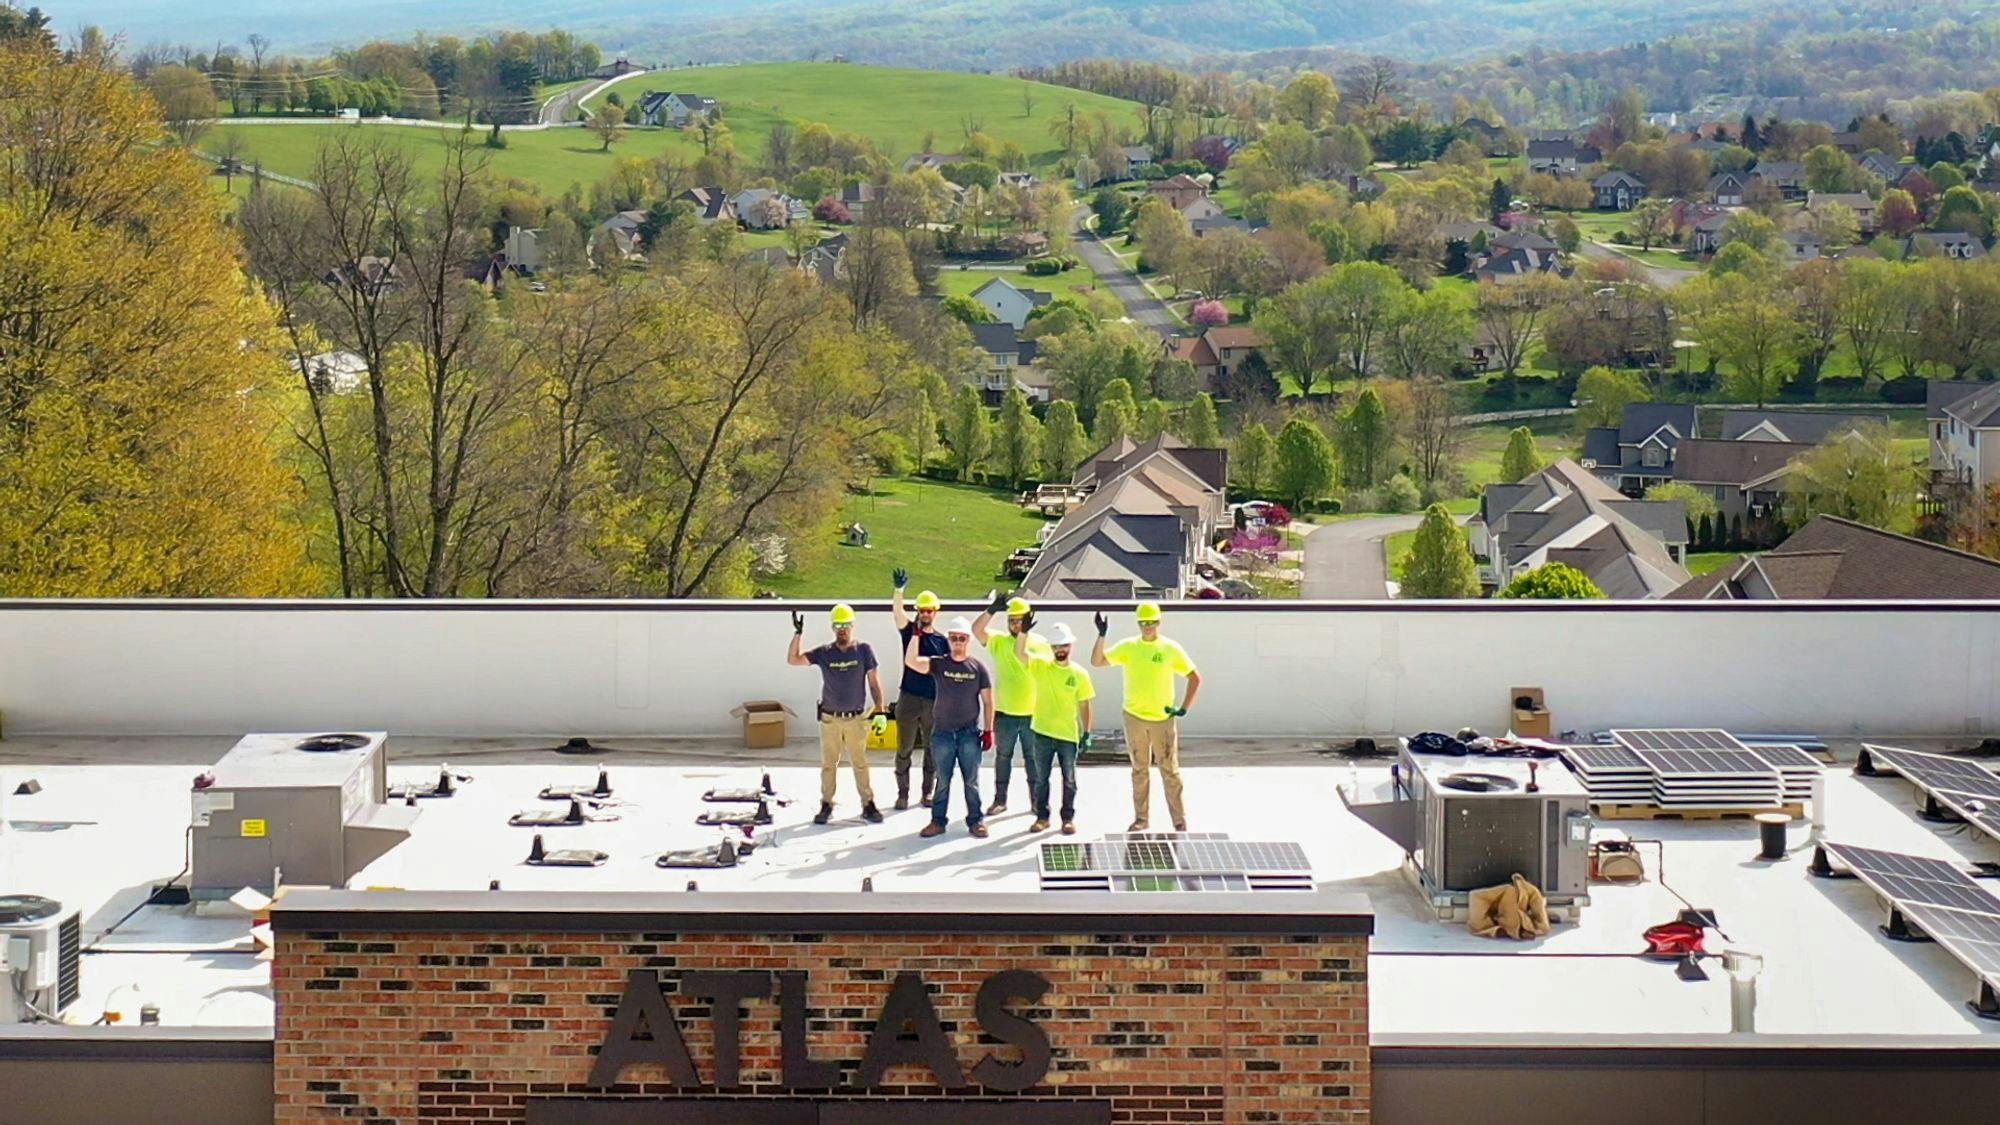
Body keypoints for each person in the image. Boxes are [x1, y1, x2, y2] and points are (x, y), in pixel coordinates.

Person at [1091, 602, 1201, 832]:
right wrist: (1101, 636)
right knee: (1139, 770)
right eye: (1143, 623)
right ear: (1138, 623)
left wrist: (1184, 707)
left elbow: (1194, 677)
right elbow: (1097, 662)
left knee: (1169, 770)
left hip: (1162, 720)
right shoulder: (1129, 647)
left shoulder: (1170, 648)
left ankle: (1179, 821)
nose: (1147, 627)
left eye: (1151, 622)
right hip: (1135, 718)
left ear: (1159, 622)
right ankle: (1141, 820)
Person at [787, 604, 886, 825]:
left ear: (852, 626)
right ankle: (826, 804)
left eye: (846, 625)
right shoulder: (824, 653)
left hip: (856, 718)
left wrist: (880, 709)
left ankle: (868, 804)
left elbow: (874, 681)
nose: (842, 629)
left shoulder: (863, 650)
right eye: (838, 625)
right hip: (830, 718)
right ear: (833, 627)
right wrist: (798, 634)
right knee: (829, 764)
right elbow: (793, 659)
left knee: (860, 763)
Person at [904, 615, 995, 838]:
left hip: (968, 735)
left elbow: (988, 701)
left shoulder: (977, 668)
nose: (957, 642)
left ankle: (976, 821)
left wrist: (989, 730)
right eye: (953, 638)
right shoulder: (939, 663)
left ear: (968, 641)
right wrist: (915, 635)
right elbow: (912, 662)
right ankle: (937, 821)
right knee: (942, 781)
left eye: (961, 638)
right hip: (942, 734)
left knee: (971, 781)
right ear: (949, 640)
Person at [972, 591, 1050, 817]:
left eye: (1019, 620)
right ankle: (1000, 799)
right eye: (1011, 621)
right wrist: (991, 610)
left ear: (1028, 619)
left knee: (1033, 759)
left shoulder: (1040, 644)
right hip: (1005, 713)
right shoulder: (999, 641)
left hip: (1032, 713)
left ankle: (1036, 801)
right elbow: (977, 630)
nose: (1014, 625)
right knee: (1003, 757)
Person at [1017, 620, 1094, 835]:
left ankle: (1067, 818)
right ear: (1051, 648)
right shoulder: (1041, 666)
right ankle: (1042, 817)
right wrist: (1023, 632)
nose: (1060, 650)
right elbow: (1020, 654)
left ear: (1071, 646)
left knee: (1069, 780)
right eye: (1056, 646)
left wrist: (1086, 733)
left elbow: (1085, 704)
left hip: (1068, 736)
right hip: (1041, 732)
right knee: (1041, 779)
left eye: (1064, 646)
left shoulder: (1079, 674)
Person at [890, 569, 949, 810]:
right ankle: (903, 794)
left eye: (929, 610)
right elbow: (897, 613)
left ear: (935, 613)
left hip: (932, 701)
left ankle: (927, 793)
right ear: (918, 612)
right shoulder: (908, 632)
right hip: (909, 697)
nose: (925, 614)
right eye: (922, 610)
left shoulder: (941, 640)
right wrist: (899, 591)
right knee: (904, 748)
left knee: (932, 750)